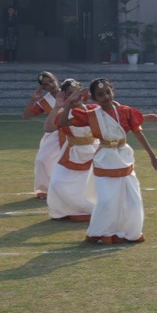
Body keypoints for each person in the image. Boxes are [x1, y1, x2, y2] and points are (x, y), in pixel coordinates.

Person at [65, 78, 157, 243]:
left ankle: (129, 232)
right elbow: (62, 122)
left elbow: (137, 132)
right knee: (106, 201)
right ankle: (101, 232)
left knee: (133, 200)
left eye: (108, 92)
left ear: (113, 91)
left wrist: (153, 156)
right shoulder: (92, 115)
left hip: (124, 157)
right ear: (94, 98)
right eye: (100, 94)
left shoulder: (125, 111)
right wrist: (69, 103)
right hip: (104, 159)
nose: (105, 96)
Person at [46, 79, 98, 222]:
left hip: (95, 152)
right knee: (57, 183)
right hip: (73, 153)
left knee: (93, 185)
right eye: (70, 93)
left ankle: (94, 209)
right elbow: (48, 128)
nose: (76, 96)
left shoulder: (93, 109)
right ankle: (66, 210)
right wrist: (57, 106)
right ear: (64, 95)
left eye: (78, 92)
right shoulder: (63, 114)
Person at [23, 71, 66, 200]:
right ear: (43, 88)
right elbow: (26, 116)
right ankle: (44, 190)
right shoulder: (44, 101)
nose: (51, 85)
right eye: (46, 84)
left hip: (74, 131)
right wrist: (34, 99)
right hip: (54, 134)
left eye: (52, 81)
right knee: (42, 160)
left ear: (56, 80)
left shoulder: (69, 93)